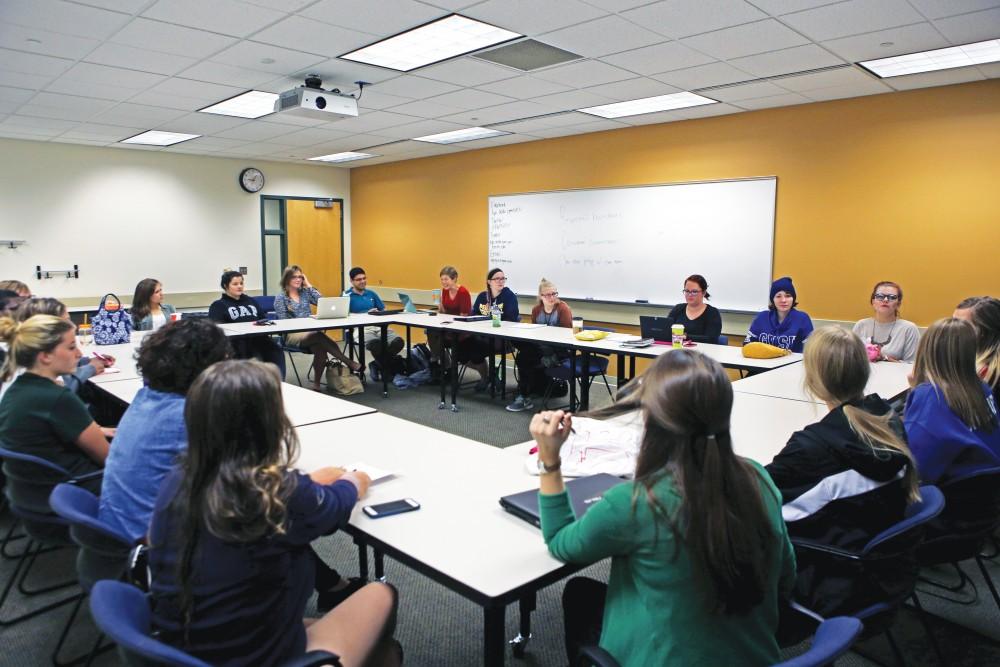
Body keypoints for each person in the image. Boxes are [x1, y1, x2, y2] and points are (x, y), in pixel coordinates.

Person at [530, 350, 795, 666]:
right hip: (754, 658)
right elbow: (785, 576)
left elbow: (562, 542)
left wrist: (550, 460)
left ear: (652, 418)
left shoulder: (636, 502)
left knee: (579, 594)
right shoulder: (758, 479)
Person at [147, 360, 400, 666]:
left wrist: (308, 483)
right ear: (268, 423)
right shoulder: (273, 490)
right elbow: (332, 509)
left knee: (380, 650)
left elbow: (298, 500)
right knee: (381, 595)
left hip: (184, 646)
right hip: (255, 656)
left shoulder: (178, 477)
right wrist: (352, 480)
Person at [765, 326, 920, 619]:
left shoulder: (813, 446)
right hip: (877, 555)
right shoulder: (887, 418)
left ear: (812, 378)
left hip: (829, 571)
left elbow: (758, 500)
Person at [98, 319, 232, 542]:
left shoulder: (146, 398)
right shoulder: (186, 416)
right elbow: (237, 479)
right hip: (152, 541)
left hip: (120, 527)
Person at [0, 315, 114, 494]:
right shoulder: (58, 398)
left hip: (31, 492)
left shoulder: (15, 390)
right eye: (71, 347)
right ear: (45, 356)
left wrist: (97, 430)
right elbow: (109, 459)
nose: (79, 354)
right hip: (78, 487)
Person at [904, 318, 1000, 484]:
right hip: (986, 489)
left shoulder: (931, 395)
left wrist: (915, 391)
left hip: (952, 494)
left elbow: (914, 464)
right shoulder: (981, 387)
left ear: (926, 349)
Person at [0, 297, 113, 402]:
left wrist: (85, 361)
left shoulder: (22, 352)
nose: (72, 324)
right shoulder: (30, 368)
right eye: (65, 320)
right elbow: (63, 388)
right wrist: (90, 368)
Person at [273, 265, 359, 392]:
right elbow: (283, 323)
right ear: (286, 279)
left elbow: (322, 302)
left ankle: (316, 385)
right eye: (294, 277)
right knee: (319, 336)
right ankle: (348, 362)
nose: (298, 280)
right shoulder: (281, 298)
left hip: (310, 333)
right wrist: (302, 325)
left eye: (300, 277)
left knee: (320, 346)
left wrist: (309, 285)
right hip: (291, 334)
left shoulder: (305, 293)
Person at [506, 278, 572, 412]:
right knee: (523, 356)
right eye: (548, 295)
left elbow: (567, 336)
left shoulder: (563, 309)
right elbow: (535, 333)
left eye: (554, 294)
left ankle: (524, 394)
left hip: (559, 351)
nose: (552, 297)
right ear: (541, 296)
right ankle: (525, 395)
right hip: (541, 348)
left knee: (526, 359)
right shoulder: (537, 310)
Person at [208, 270, 283, 369]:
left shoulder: (251, 301)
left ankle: (277, 381)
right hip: (236, 342)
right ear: (226, 286)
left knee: (275, 350)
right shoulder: (218, 305)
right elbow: (216, 329)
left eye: (241, 283)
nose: (239, 286)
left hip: (258, 338)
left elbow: (262, 319)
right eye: (235, 284)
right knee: (251, 355)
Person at [461, 268, 521, 391]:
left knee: (475, 349)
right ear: (489, 282)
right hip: (481, 336)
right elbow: (474, 315)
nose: (500, 281)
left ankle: (487, 377)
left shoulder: (509, 297)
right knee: (460, 350)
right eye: (497, 278)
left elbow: (511, 319)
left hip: (501, 339)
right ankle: (488, 376)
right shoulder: (483, 297)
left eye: (503, 278)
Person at [344, 266, 404, 360]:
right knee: (376, 345)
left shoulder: (371, 293)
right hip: (360, 328)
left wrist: (379, 313)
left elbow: (382, 310)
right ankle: (385, 366)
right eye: (359, 279)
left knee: (398, 342)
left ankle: (381, 364)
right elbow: (343, 316)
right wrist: (366, 314)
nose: (363, 281)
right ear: (351, 281)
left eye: (364, 278)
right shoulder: (346, 295)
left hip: (379, 326)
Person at [851, 280, 920, 362]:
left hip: (896, 375)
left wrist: (884, 358)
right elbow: (851, 359)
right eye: (880, 296)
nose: (885, 300)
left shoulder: (909, 329)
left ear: (898, 304)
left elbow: (912, 366)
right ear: (873, 302)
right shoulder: (861, 325)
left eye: (892, 297)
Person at [744, 276, 813, 353]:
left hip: (792, 364)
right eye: (778, 296)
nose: (783, 300)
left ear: (793, 298)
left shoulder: (802, 319)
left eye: (788, 296)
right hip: (763, 363)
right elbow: (747, 345)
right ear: (773, 300)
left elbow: (811, 350)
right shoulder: (762, 317)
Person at [425, 265, 471, 371]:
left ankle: (438, 363)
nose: (443, 282)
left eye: (446, 279)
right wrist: (439, 302)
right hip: (447, 325)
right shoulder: (445, 290)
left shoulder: (463, 292)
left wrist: (448, 320)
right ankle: (437, 360)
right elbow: (443, 312)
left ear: (454, 278)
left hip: (460, 328)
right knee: (430, 330)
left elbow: (464, 316)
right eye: (441, 280)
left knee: (439, 336)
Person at [954, 296, 1000, 397]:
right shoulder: (965, 358)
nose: (952, 330)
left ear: (984, 331)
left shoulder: (993, 376)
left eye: (960, 325)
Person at [666, 274, 722, 344]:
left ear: (704, 293)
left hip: (702, 352)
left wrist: (685, 336)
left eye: (694, 291)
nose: (689, 294)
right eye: (687, 291)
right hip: (678, 350)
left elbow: (711, 338)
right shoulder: (678, 309)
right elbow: (666, 331)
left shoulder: (712, 313)